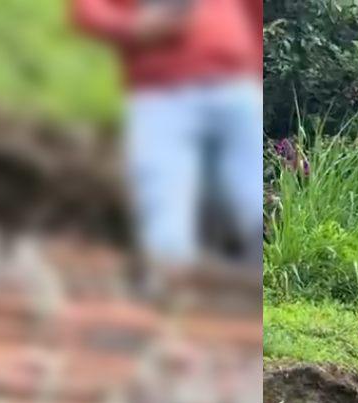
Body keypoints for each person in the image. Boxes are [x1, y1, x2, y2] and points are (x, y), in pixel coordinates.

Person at [71, 0, 263, 273]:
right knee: (165, 218)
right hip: (161, 94)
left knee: (253, 201)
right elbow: (87, 11)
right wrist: (133, 28)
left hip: (235, 86)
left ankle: (264, 279)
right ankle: (175, 285)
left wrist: (254, 67)